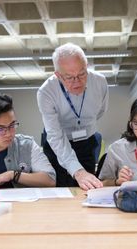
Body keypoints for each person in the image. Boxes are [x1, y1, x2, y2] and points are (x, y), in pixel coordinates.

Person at [37, 43, 108, 190]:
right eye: (69, 77)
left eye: (82, 74)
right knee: (58, 189)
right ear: (57, 75)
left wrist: (82, 173)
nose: (77, 81)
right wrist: (77, 171)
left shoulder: (100, 82)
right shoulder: (46, 92)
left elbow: (100, 111)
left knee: (88, 187)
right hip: (57, 143)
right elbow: (55, 136)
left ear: (86, 66)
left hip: (87, 142)